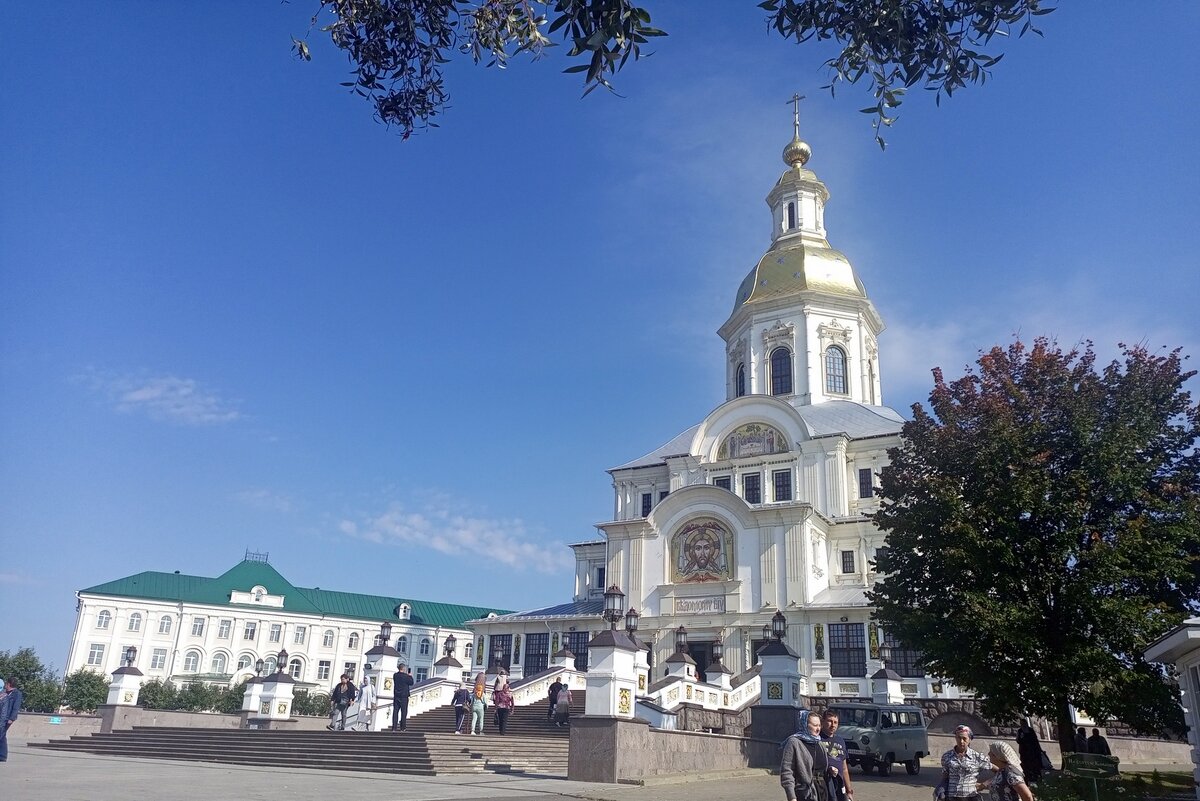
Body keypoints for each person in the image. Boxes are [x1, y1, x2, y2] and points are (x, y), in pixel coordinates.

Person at [936, 725, 992, 801]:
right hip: (952, 797)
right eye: (959, 738)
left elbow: (999, 771)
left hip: (971, 797)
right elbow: (945, 777)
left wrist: (983, 785)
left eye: (964, 738)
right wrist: (941, 788)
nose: (961, 741)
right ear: (955, 738)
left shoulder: (977, 757)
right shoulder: (946, 756)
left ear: (969, 739)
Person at [780, 712, 819, 801]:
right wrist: (791, 796)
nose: (818, 729)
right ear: (805, 724)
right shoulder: (794, 742)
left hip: (822, 791)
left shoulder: (819, 743)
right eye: (815, 725)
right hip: (804, 794)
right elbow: (787, 771)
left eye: (819, 725)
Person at [820, 708, 854, 801]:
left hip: (838, 785)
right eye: (830, 721)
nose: (833, 725)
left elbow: (844, 768)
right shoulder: (817, 739)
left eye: (835, 722)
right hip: (823, 785)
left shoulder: (840, 740)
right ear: (822, 721)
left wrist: (849, 791)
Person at [1, 678, 22, 763]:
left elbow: (16, 707)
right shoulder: (5, 693)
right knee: (2, 735)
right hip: (2, 717)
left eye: (6, 684)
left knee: (1, 734)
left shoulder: (17, 694)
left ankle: (2, 755)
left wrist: (11, 718)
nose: (5, 686)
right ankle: (2, 755)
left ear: (9, 684)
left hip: (7, 718)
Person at [391, 664, 414, 731]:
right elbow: (411, 683)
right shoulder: (406, 676)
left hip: (396, 696)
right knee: (403, 712)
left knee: (395, 712)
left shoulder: (395, 675)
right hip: (404, 696)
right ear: (404, 668)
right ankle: (402, 727)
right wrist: (410, 676)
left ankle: (394, 727)